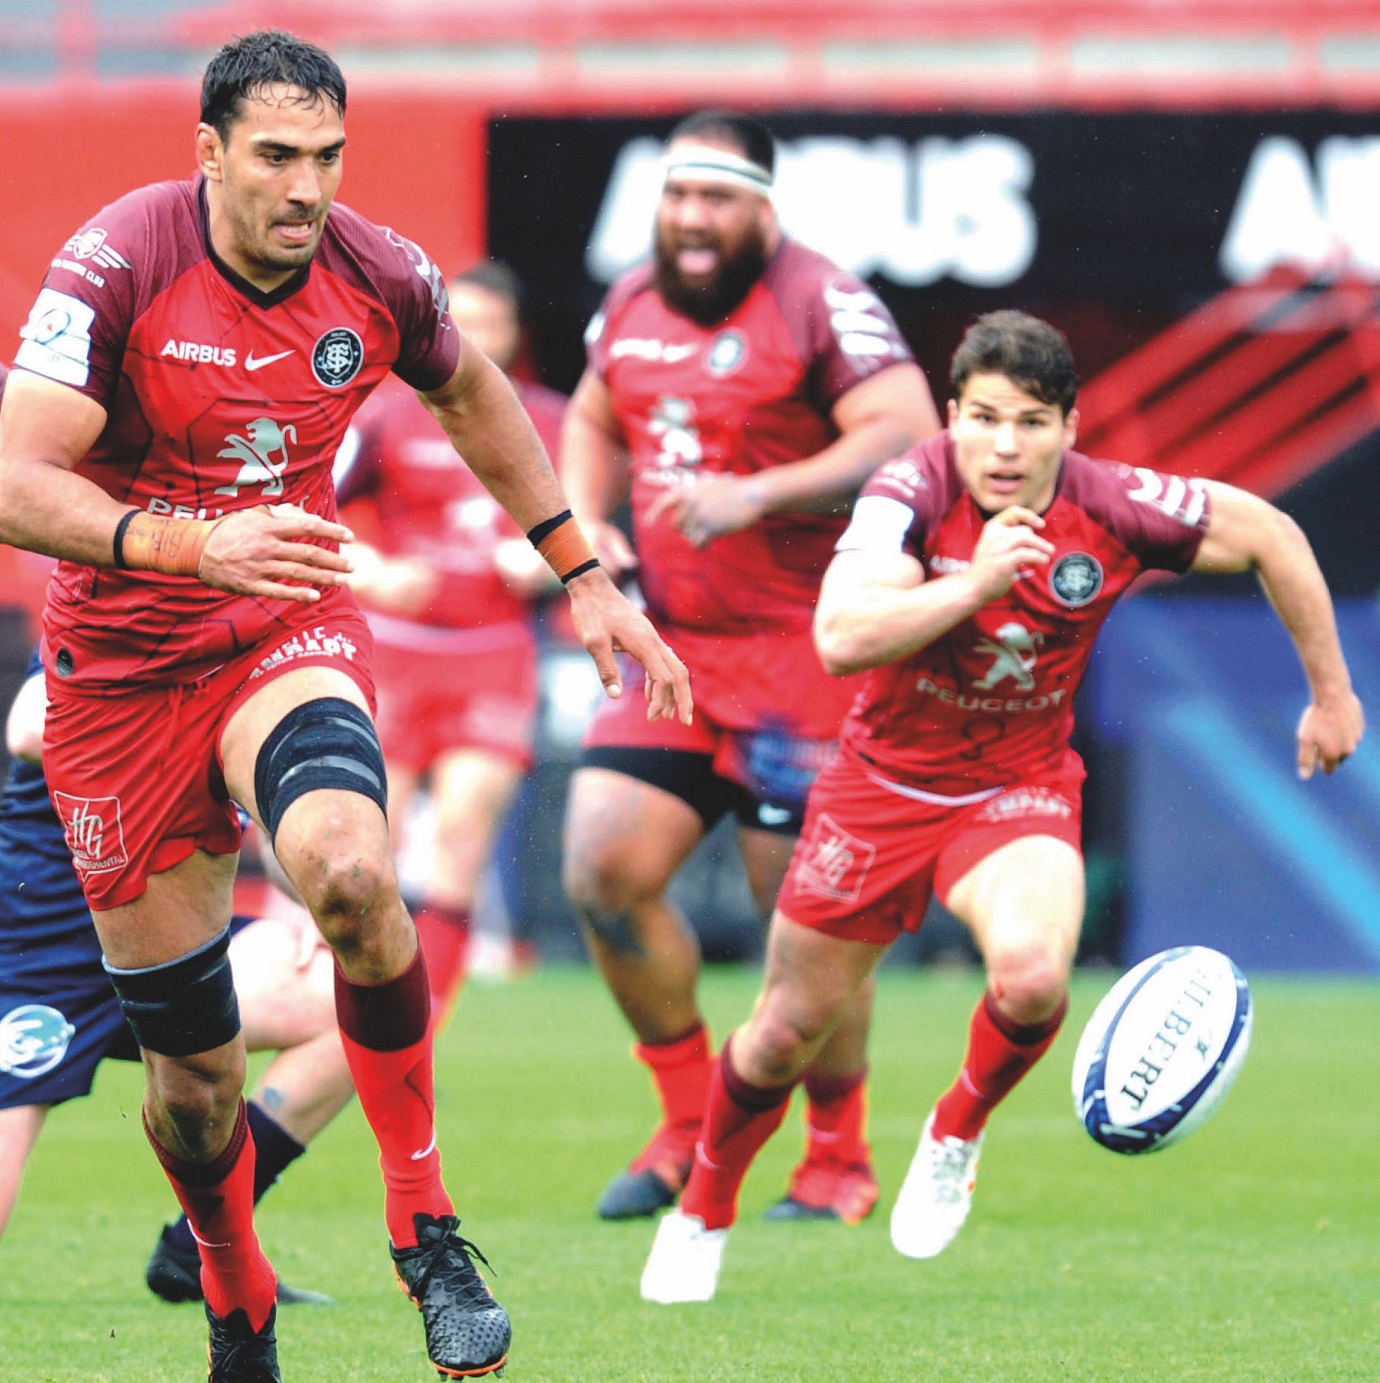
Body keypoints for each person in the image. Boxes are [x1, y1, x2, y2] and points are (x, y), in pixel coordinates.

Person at [0, 30, 688, 1382]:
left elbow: (475, 390)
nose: (305, 187)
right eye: (274, 156)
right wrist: (188, 544)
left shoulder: (376, 270)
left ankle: (423, 1220)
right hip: (119, 681)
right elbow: (17, 475)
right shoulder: (118, 259)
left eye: (326, 156)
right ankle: (232, 1286)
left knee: (357, 872)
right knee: (193, 1092)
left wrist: (584, 571)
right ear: (209, 153)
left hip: (282, 629)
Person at [638, 308, 1364, 1303]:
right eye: (983, 419)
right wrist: (974, 584)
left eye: (1030, 422)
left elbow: (1272, 534)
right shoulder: (908, 490)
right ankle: (702, 1210)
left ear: (1070, 426)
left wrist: (1331, 693)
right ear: (951, 416)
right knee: (781, 1032)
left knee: (1031, 982)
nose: (1005, 446)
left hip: (1014, 787)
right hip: (880, 787)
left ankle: (953, 1135)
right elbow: (842, 638)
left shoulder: (1113, 504)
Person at [560, 110, 940, 1224]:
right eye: (677, 196)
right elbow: (592, 414)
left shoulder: (822, 300)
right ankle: (685, 1123)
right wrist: (586, 519)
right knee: (600, 869)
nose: (691, 219)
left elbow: (908, 432)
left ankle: (837, 1158)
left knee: (810, 926)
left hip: (806, 656)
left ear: (762, 207)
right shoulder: (630, 298)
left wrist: (759, 494)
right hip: (673, 642)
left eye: (715, 199)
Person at [0, 650, 347, 1314]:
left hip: (178, 947)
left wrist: (320, 897)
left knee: (345, 995)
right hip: (44, 952)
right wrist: (191, 736)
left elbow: (276, 833)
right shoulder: (121, 610)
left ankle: (199, 1247)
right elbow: (24, 729)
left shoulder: (253, 654)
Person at [335, 261, 566, 1010]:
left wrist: (548, 561)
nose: (473, 340)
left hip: (495, 654)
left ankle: (426, 1014)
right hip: (397, 652)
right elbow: (303, 506)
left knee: (463, 836)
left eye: (489, 325)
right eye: (458, 322)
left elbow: (594, 529)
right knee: (370, 846)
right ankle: (362, 999)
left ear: (513, 335)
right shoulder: (386, 416)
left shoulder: (553, 423)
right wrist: (371, 571)